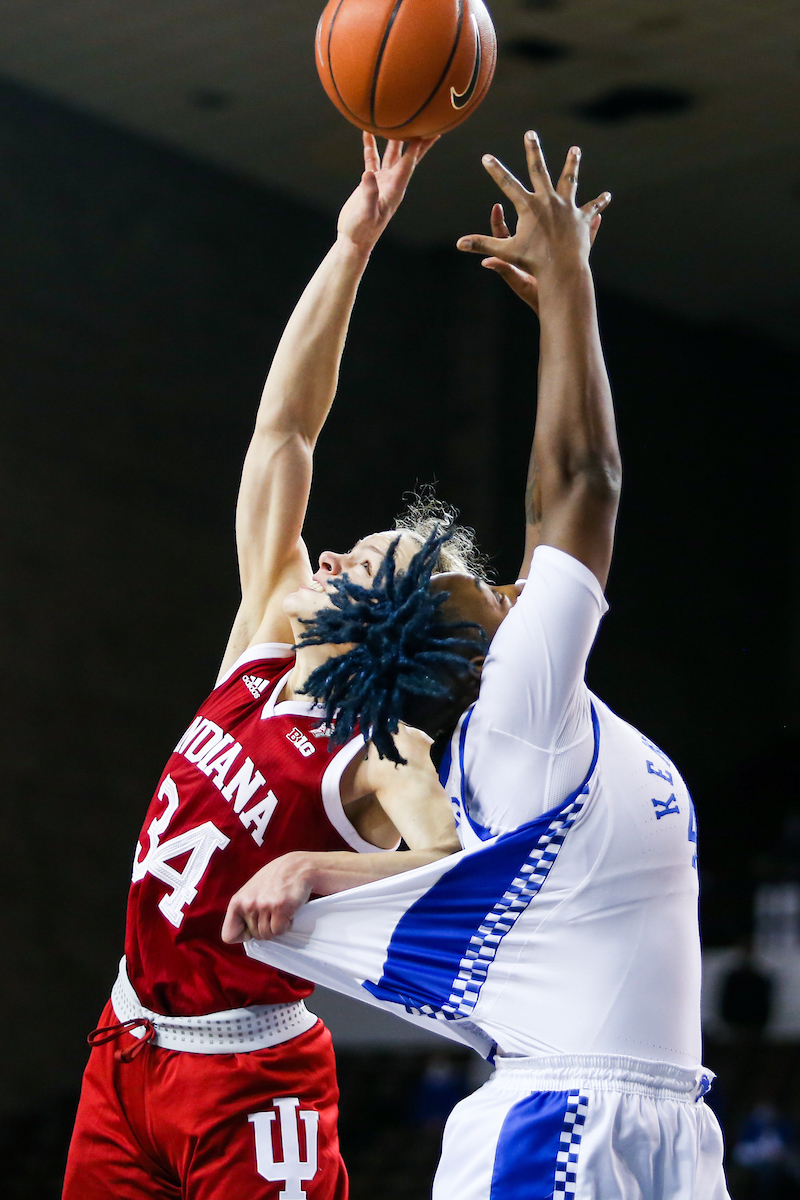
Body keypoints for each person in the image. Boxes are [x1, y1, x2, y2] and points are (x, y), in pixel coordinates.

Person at [241, 133, 730, 1198]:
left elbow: (546, 513)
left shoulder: (518, 701)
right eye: (416, 550)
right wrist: (569, 299)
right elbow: (582, 482)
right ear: (440, 614)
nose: (479, 555)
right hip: (559, 1125)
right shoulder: (516, 715)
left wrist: (318, 868)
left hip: (658, 1123)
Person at [62, 131, 465, 1200]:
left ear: (383, 612)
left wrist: (318, 870)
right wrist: (354, 241)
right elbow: (284, 429)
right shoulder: (261, 638)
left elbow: (456, 863)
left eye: (359, 555)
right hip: (125, 1042)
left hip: (251, 1077)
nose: (329, 549)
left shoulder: (382, 752)